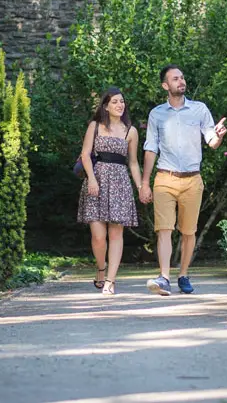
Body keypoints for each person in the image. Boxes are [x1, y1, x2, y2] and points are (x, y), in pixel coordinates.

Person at [140, 65, 227, 295]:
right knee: (164, 229)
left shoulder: (199, 110)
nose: (181, 81)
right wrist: (145, 183)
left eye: (182, 78)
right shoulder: (156, 114)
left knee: (188, 231)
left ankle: (184, 275)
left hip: (192, 180)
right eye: (175, 79)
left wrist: (217, 137)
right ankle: (164, 277)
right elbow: (150, 149)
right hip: (164, 178)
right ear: (165, 86)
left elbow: (211, 141)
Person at [77, 87, 144, 296]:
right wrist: (92, 180)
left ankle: (110, 281)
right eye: (115, 101)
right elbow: (85, 155)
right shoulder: (95, 126)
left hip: (120, 183)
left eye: (122, 101)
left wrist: (141, 186)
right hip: (96, 181)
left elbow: (133, 163)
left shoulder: (130, 130)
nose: (119, 105)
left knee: (116, 234)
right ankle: (101, 268)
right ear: (106, 105)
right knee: (98, 236)